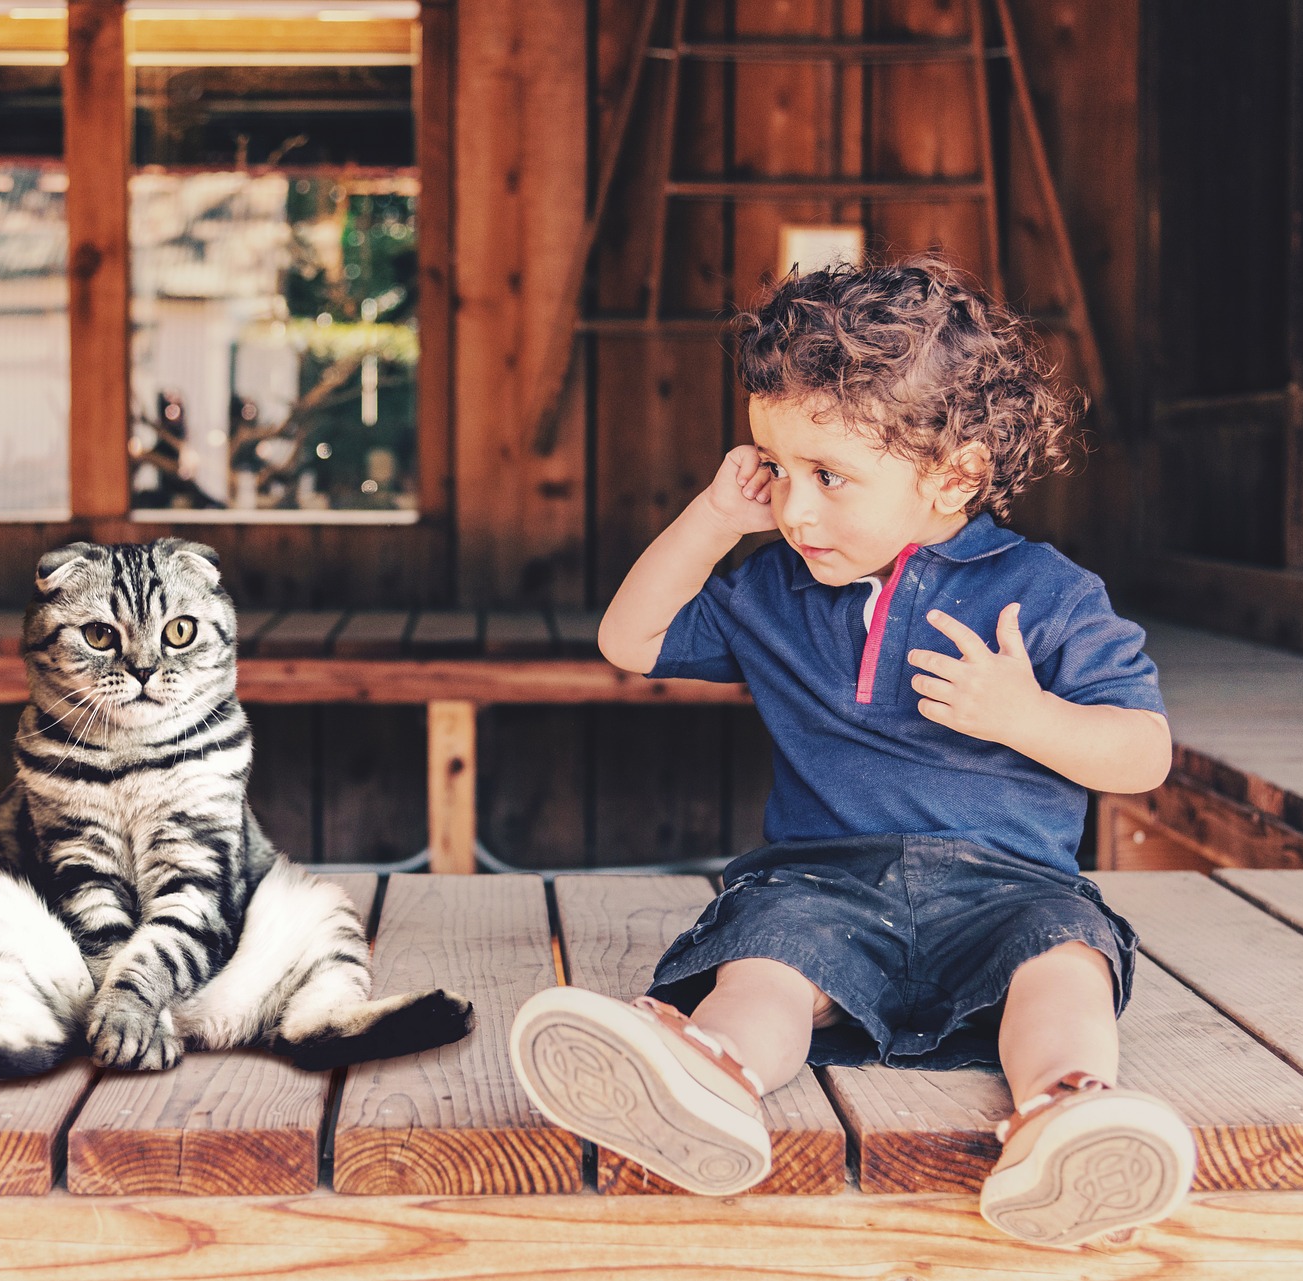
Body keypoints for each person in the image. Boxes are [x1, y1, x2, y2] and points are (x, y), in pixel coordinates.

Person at [509, 256, 1196, 1249]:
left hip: (1008, 890)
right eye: (776, 469)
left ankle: (1066, 1117)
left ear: (952, 475)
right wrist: (712, 519)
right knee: (767, 963)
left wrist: (1026, 716)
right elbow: (631, 641)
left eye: (829, 477)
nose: (792, 509)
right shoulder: (775, 591)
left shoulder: (1048, 593)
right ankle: (711, 1080)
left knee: (1067, 959)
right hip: (821, 885)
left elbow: (1144, 755)